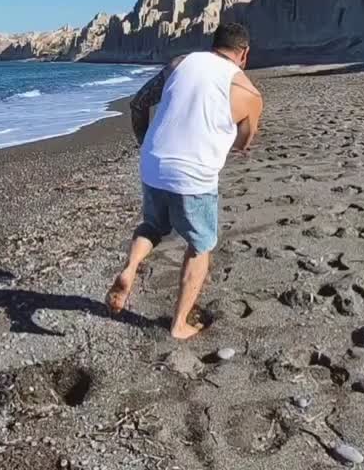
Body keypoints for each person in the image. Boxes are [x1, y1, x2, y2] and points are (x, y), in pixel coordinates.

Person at [105, 22, 263, 340]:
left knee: (152, 227)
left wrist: (145, 145)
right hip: (194, 175)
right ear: (244, 53)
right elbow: (245, 141)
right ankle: (179, 324)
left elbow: (138, 104)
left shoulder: (180, 63)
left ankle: (131, 266)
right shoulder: (249, 92)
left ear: (213, 45)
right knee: (200, 245)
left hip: (154, 162)